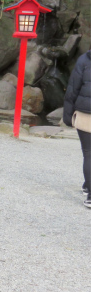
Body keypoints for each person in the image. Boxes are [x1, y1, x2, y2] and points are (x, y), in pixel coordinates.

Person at [63, 48, 91, 208]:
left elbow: (73, 88)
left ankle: (89, 192)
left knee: (88, 154)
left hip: (85, 113)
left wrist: (67, 116)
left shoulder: (84, 59)